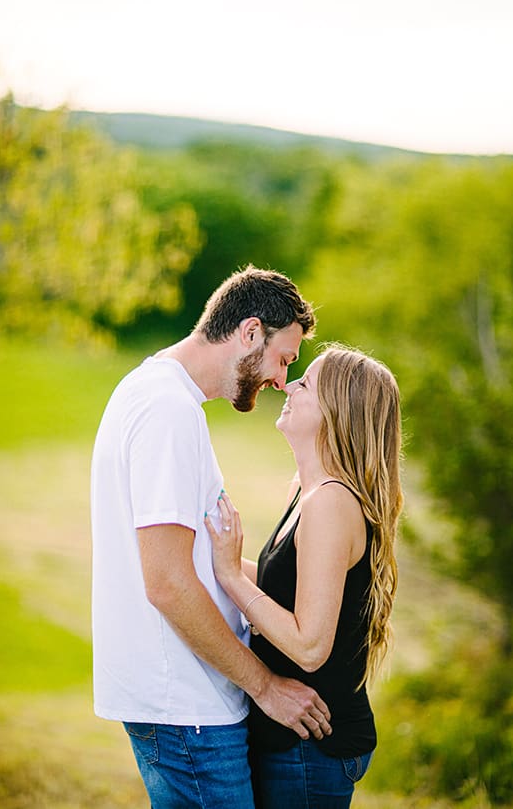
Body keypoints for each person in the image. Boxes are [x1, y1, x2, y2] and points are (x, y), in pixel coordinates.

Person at [91, 264, 332, 808]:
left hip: (190, 704)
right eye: (283, 359)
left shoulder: (159, 395)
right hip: (186, 710)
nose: (279, 380)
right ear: (250, 332)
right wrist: (265, 687)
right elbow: (169, 584)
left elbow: (191, 563)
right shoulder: (166, 409)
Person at [207, 346, 402, 808]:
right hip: (294, 744)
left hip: (309, 749)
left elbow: (311, 647)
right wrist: (208, 561)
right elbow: (289, 593)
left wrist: (232, 578)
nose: (289, 386)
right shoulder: (308, 491)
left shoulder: (330, 503)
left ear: (336, 414)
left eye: (307, 384)